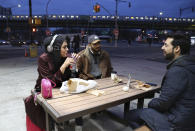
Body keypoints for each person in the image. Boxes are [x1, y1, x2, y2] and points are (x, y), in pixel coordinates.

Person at [126, 32, 195, 131]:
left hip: (177, 123)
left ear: (177, 49)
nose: (162, 48)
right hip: (189, 119)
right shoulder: (190, 65)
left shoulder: (178, 70)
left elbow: (163, 103)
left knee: (130, 115)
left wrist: (151, 103)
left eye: (166, 45)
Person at [25, 34, 82, 131]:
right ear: (54, 48)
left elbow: (72, 78)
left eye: (67, 46)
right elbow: (49, 82)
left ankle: (75, 123)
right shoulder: (43, 59)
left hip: (61, 90)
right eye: (64, 47)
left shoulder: (66, 57)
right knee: (48, 118)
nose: (67, 49)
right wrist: (63, 66)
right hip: (45, 91)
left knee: (78, 100)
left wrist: (76, 65)